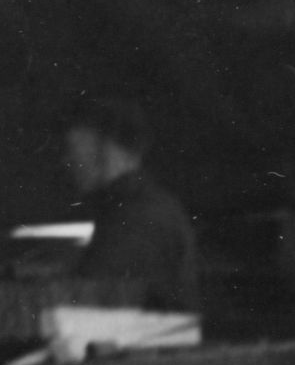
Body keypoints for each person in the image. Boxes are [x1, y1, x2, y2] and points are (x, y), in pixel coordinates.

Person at [59, 95, 201, 311]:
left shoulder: (137, 218)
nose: (67, 160)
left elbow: (88, 300)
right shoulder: (145, 208)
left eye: (73, 148)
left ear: (106, 148)